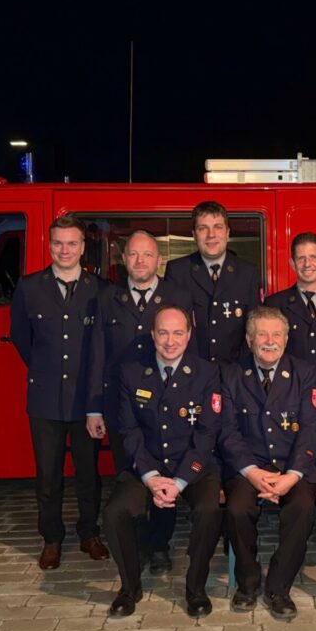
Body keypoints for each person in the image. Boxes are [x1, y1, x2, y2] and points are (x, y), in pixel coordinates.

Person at [103, 305, 224, 618]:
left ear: (188, 335)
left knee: (209, 510)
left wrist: (179, 481)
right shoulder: (131, 372)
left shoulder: (207, 373)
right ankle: (129, 588)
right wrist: (151, 477)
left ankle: (195, 589)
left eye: (178, 333)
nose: (170, 341)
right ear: (153, 335)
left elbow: (207, 433)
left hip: (194, 465)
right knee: (115, 512)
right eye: (163, 332)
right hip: (148, 464)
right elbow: (128, 431)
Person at [86, 230, 193, 574]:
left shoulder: (177, 295)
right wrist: (94, 406)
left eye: (147, 255)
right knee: (131, 476)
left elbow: (190, 346)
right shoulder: (107, 298)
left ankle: (159, 545)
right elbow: (96, 355)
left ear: (158, 260)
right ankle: (136, 539)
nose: (140, 261)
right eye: (133, 255)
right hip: (124, 410)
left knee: (165, 475)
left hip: (167, 405)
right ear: (124, 259)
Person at [10, 215, 108, 570]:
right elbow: (23, 339)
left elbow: (103, 347)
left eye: (72, 243)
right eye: (58, 243)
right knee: (48, 477)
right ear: (48, 245)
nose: (64, 250)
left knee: (88, 475)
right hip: (46, 397)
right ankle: (51, 539)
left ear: (83, 247)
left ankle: (89, 533)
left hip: (87, 401)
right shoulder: (30, 287)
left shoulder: (101, 289)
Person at [218, 306, 316, 621]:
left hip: (293, 465)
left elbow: (311, 427)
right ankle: (248, 582)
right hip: (248, 467)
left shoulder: (304, 372)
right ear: (249, 339)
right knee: (237, 509)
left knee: (303, 507)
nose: (269, 341)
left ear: (287, 339)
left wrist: (291, 475)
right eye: (262, 334)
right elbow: (227, 431)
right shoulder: (232, 374)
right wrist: (252, 472)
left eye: (277, 334)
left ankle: (279, 586)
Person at [164, 201, 261, 362]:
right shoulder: (177, 271)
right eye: (203, 228)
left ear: (227, 232)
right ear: (194, 234)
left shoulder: (247, 273)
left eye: (218, 227)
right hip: (192, 372)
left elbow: (255, 328)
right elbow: (170, 326)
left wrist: (240, 372)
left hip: (235, 374)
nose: (211, 235)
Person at [264, 232, 316, 361]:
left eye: (313, 257)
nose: (307, 264)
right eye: (301, 258)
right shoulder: (275, 304)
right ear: (292, 263)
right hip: (293, 380)